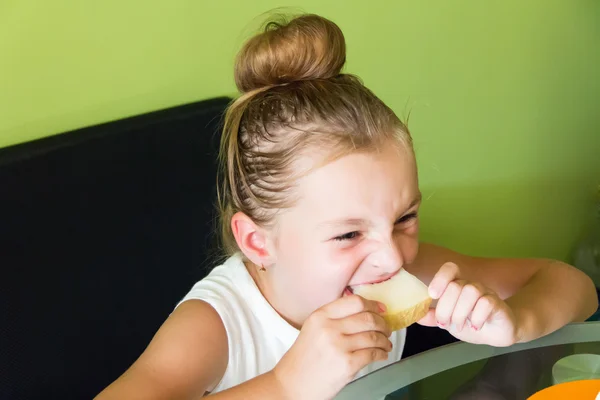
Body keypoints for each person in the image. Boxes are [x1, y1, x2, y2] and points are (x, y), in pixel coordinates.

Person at [96, 13, 597, 400]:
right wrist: (286, 385)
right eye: (348, 234)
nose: (392, 258)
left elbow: (574, 286)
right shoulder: (218, 324)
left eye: (405, 217)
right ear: (258, 241)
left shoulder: (406, 269)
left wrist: (516, 321)